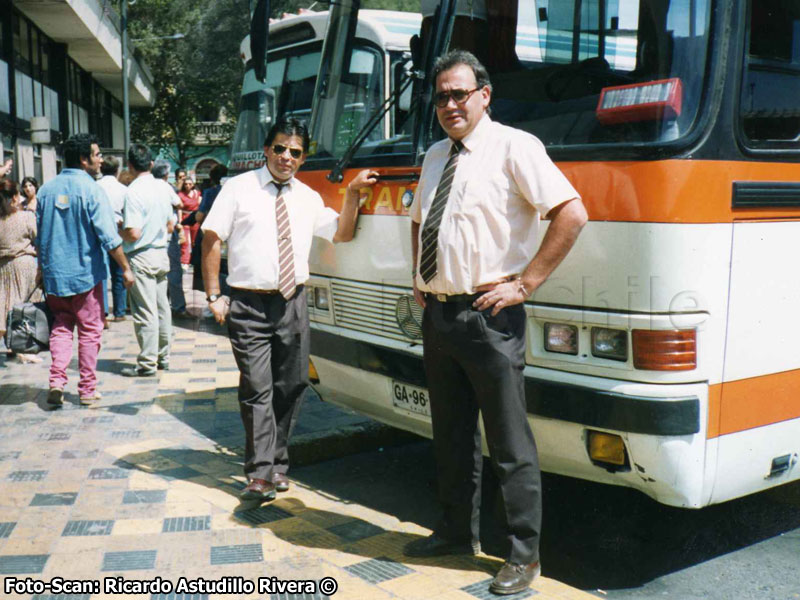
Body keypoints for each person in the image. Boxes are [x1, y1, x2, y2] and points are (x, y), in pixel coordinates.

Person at [402, 51, 588, 596]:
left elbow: (571, 213)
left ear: (485, 95)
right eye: (441, 96)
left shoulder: (515, 147)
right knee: (451, 435)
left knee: (509, 443)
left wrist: (524, 284)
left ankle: (523, 556)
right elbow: (419, 220)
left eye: (460, 93)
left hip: (490, 317)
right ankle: (456, 532)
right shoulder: (436, 154)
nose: (450, 104)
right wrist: (420, 277)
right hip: (439, 316)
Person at [201, 117, 366, 501]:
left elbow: (340, 232)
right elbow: (211, 237)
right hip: (248, 303)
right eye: (279, 148)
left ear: (303, 157)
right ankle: (259, 472)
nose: (286, 157)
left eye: (294, 152)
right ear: (266, 150)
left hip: (292, 302)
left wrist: (353, 194)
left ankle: (277, 463)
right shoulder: (238, 189)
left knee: (291, 385)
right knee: (257, 388)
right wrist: (213, 295)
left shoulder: (307, 197)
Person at [36, 134, 134, 406]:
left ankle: (56, 381)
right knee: (90, 332)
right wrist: (125, 267)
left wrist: (41, 270)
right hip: (86, 277)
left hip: (55, 275)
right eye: (97, 153)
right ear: (83, 159)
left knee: (62, 327)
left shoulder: (46, 190)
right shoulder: (92, 190)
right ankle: (87, 389)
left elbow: (40, 236)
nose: (101, 159)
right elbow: (108, 236)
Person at [120, 144, 177, 377]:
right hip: (161, 252)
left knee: (146, 311)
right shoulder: (163, 187)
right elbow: (171, 223)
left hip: (141, 255)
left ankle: (147, 362)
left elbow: (133, 233)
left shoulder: (133, 191)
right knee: (163, 307)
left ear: (130, 166)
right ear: (151, 164)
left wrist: (118, 229)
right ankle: (164, 356)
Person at [0, 180, 42, 363]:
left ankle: (13, 347)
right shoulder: (26, 217)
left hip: (3, 267)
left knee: (5, 305)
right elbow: (38, 239)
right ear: (16, 197)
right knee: (23, 306)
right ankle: (22, 348)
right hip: (24, 265)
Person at [152, 160, 187, 318]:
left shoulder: (146, 185)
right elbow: (179, 203)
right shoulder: (166, 187)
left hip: (151, 235)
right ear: (166, 174)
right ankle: (178, 306)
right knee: (174, 270)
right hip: (167, 233)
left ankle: (161, 305)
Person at [97, 156, 129, 322]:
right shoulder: (123, 190)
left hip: (97, 234)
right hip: (117, 231)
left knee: (101, 274)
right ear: (117, 171)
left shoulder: (95, 187)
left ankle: (102, 312)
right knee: (119, 271)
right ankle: (120, 311)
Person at [178, 176, 201, 266]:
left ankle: (194, 260)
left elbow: (200, 206)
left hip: (195, 218)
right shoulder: (181, 195)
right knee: (185, 241)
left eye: (190, 184)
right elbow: (179, 208)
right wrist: (180, 221)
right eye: (186, 184)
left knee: (195, 240)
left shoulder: (197, 194)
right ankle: (185, 261)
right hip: (185, 218)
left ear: (193, 185)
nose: (188, 186)